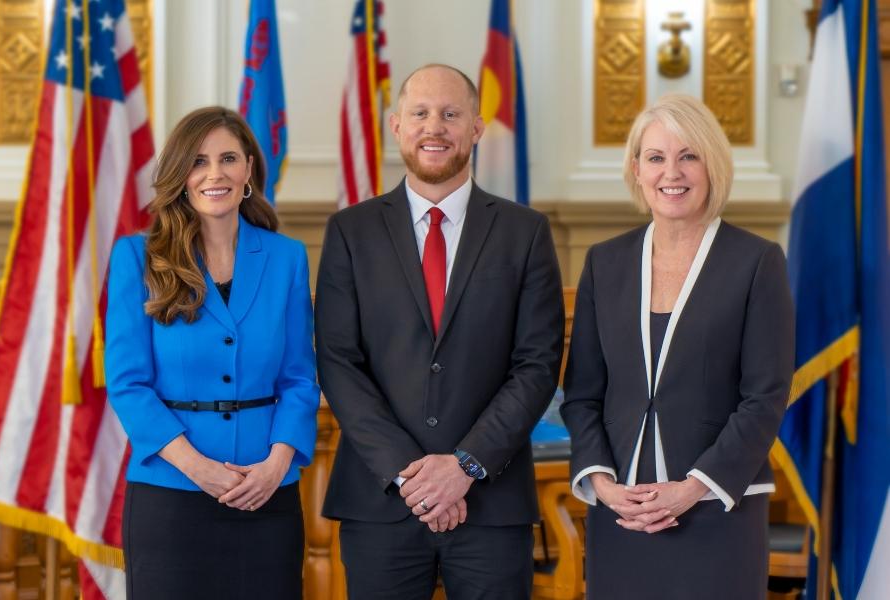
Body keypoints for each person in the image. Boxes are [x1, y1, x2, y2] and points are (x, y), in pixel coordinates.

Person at [315, 64, 565, 600]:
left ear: (476, 127)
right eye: (421, 113)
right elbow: (338, 361)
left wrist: (466, 466)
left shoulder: (525, 233)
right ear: (395, 125)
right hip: (381, 501)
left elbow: (537, 365)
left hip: (491, 502)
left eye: (451, 114)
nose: (436, 126)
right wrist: (410, 474)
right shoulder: (350, 232)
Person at [560, 94, 794, 600]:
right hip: (623, 512)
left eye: (689, 155)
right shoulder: (606, 262)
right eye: (656, 157)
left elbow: (765, 397)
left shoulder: (756, 261)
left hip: (716, 508)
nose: (673, 172)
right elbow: (581, 393)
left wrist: (692, 489)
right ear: (637, 170)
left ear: (713, 166)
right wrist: (601, 485)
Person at [105, 106, 319, 599]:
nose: (214, 173)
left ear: (248, 170)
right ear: (181, 175)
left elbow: (298, 379)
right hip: (171, 494)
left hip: (266, 492)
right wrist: (198, 467)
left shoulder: (286, 257)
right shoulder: (137, 258)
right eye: (198, 161)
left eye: (228, 158)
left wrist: (276, 464)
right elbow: (127, 384)